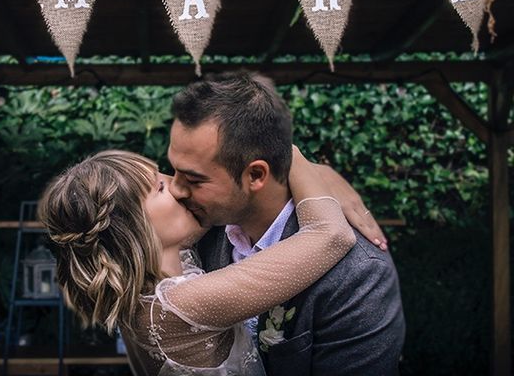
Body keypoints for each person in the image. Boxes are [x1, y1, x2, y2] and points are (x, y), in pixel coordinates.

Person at [38, 146, 376, 375]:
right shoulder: (184, 303)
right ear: (133, 229)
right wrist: (285, 153)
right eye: (159, 186)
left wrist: (327, 177)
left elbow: (216, 205)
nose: (178, 183)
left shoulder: (142, 290)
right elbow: (331, 235)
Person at [168, 70, 406, 376]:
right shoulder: (196, 229)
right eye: (173, 171)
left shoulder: (358, 274)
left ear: (255, 175)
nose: (175, 189)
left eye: (193, 179)